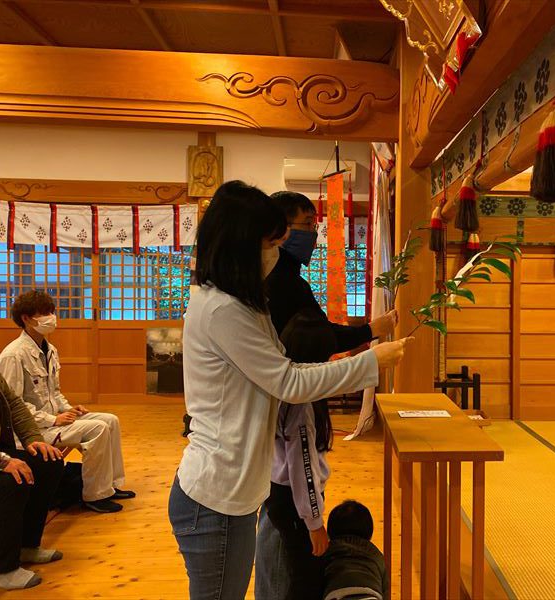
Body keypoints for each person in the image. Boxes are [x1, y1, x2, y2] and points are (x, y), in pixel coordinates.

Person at [168, 180, 412, 600]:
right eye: (270, 244)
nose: (276, 254)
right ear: (242, 245)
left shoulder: (243, 303)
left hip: (234, 491)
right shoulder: (224, 309)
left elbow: (286, 369)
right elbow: (289, 381)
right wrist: (370, 362)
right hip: (215, 496)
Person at [0, 290, 134, 514]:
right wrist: (53, 419)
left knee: (111, 420)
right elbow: (13, 405)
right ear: (26, 318)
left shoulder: (50, 350)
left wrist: (69, 409)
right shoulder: (14, 354)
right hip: (32, 431)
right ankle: (95, 495)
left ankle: (111, 485)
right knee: (97, 429)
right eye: (44, 313)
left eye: (52, 312)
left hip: (55, 421)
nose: (51, 317)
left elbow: (54, 392)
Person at [255, 309, 340, 600]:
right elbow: (302, 471)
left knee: (291, 569)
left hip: (276, 491)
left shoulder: (281, 383)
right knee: (305, 579)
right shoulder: (301, 404)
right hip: (291, 498)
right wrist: (314, 523)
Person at [0, 315, 65, 591]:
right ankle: (1, 568)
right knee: (10, 483)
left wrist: (32, 439)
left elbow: (14, 404)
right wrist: (2, 461)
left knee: (48, 461)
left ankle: (27, 545)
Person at [265, 190, 398, 350]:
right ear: (281, 229)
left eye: (314, 225)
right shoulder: (280, 280)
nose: (313, 233)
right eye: (307, 224)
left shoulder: (287, 276)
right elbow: (322, 337)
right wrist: (372, 329)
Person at [322, 500, 387, 600]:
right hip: (370, 596)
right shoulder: (376, 555)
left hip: (337, 595)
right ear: (369, 532)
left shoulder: (327, 551)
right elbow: (385, 589)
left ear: (331, 532)